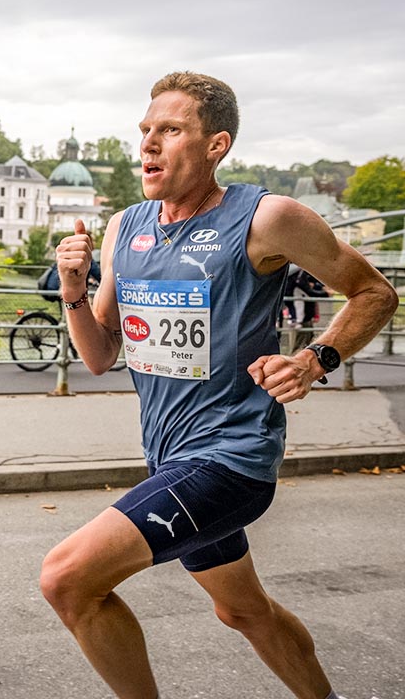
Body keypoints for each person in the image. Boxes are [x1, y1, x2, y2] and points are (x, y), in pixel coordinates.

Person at [39, 71, 398, 699]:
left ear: (216, 145)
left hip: (232, 459)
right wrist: (73, 289)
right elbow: (99, 355)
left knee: (66, 579)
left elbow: (374, 292)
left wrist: (315, 359)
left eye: (170, 130)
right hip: (168, 457)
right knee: (243, 611)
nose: (149, 144)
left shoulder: (267, 218)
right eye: (145, 130)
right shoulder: (125, 228)